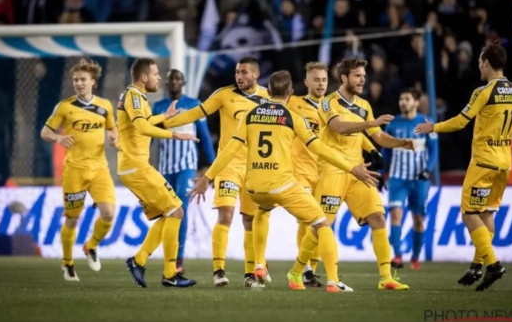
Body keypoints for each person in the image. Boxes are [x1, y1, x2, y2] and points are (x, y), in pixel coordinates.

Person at [189, 70, 381, 292]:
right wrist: (351, 167)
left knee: (262, 211)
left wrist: (207, 178)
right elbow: (320, 148)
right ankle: (333, 281)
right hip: (282, 184)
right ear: (290, 93)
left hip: (254, 186)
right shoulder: (293, 117)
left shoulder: (249, 115)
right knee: (322, 224)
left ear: (268, 91)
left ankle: (259, 264)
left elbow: (229, 151)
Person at [252, 61, 382, 287]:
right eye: (316, 80)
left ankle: (307, 268)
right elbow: (273, 98)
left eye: (324, 80)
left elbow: (352, 132)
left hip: (325, 170)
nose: (321, 84)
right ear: (306, 82)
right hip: (299, 170)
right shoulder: (294, 102)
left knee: (318, 223)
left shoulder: (332, 106)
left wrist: (371, 149)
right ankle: (305, 271)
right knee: (308, 220)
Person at [416, 43, 512, 291]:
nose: (478, 66)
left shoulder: (483, 92)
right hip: (504, 164)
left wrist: (433, 127)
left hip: (484, 161)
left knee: (469, 213)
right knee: (486, 213)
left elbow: (461, 121)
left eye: (480, 62)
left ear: (487, 63)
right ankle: (477, 265)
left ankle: (493, 264)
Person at [161, 57, 270, 288]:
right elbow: (196, 113)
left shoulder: (268, 98)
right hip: (227, 165)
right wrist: (165, 123)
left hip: (256, 168)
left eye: (244, 72)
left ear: (256, 74)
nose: (239, 76)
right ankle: (219, 271)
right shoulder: (223, 94)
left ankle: (250, 273)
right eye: (237, 72)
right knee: (226, 215)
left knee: (250, 220)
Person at [316, 57, 415, 290]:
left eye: (363, 76)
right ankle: (299, 270)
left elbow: (378, 136)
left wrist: (400, 143)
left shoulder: (364, 105)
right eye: (357, 76)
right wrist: (370, 124)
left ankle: (386, 277)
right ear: (344, 78)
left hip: (358, 171)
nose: (362, 80)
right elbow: (339, 127)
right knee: (321, 225)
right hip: (332, 169)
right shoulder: (328, 102)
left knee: (378, 217)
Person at [118, 58, 198, 288]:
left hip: (135, 167)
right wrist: (174, 134)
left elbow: (144, 121)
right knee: (176, 211)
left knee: (171, 213)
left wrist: (165, 117)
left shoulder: (137, 97)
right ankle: (169, 274)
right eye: (155, 74)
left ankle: (140, 261)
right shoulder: (133, 95)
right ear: (144, 77)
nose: (159, 78)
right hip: (136, 167)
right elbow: (142, 127)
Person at [40, 59, 118, 282]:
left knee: (109, 214)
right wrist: (58, 137)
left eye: (83, 79)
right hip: (74, 171)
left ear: (93, 82)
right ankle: (67, 262)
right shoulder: (64, 107)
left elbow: (112, 128)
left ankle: (91, 246)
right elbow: (45, 132)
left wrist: (114, 138)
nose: (79, 83)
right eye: (76, 80)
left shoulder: (105, 106)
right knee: (72, 219)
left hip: (99, 169)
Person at [153, 69, 216, 274]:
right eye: (171, 79)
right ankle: (169, 258)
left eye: (177, 79)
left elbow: (204, 137)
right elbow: (150, 136)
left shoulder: (194, 104)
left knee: (181, 207)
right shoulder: (158, 107)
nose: (174, 82)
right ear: (167, 83)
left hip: (187, 166)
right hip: (165, 167)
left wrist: (213, 166)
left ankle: (178, 259)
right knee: (167, 212)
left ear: (184, 83)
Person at [382, 88, 438, 270]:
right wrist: (381, 173)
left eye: (407, 99)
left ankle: (415, 257)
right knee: (395, 215)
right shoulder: (393, 125)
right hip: (397, 178)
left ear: (416, 103)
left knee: (418, 218)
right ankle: (397, 256)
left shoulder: (427, 123)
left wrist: (427, 170)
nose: (403, 102)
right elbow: (386, 151)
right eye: (401, 99)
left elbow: (434, 150)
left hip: (419, 179)